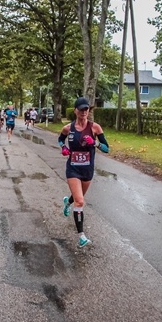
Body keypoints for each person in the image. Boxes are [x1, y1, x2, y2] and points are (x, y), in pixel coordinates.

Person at [57, 97, 110, 247]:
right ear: (75, 111)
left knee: (76, 197)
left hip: (87, 170)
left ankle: (68, 202)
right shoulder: (68, 128)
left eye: (86, 109)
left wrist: (95, 143)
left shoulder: (95, 128)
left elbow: (107, 149)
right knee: (80, 201)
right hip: (73, 168)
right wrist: (64, 147)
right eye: (81, 109)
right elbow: (60, 140)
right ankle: (81, 236)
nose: (84, 112)